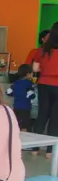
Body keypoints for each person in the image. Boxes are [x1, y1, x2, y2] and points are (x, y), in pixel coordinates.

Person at [33, 22, 58, 159]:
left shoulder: (43, 49)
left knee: (42, 115)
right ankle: (50, 151)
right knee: (55, 118)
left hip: (43, 84)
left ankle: (35, 148)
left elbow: (35, 69)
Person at [6, 64, 35, 131]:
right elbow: (31, 95)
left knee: (17, 123)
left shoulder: (16, 83)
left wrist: (16, 94)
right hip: (25, 108)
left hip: (16, 107)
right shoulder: (29, 83)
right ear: (28, 74)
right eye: (32, 73)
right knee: (24, 125)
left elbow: (8, 92)